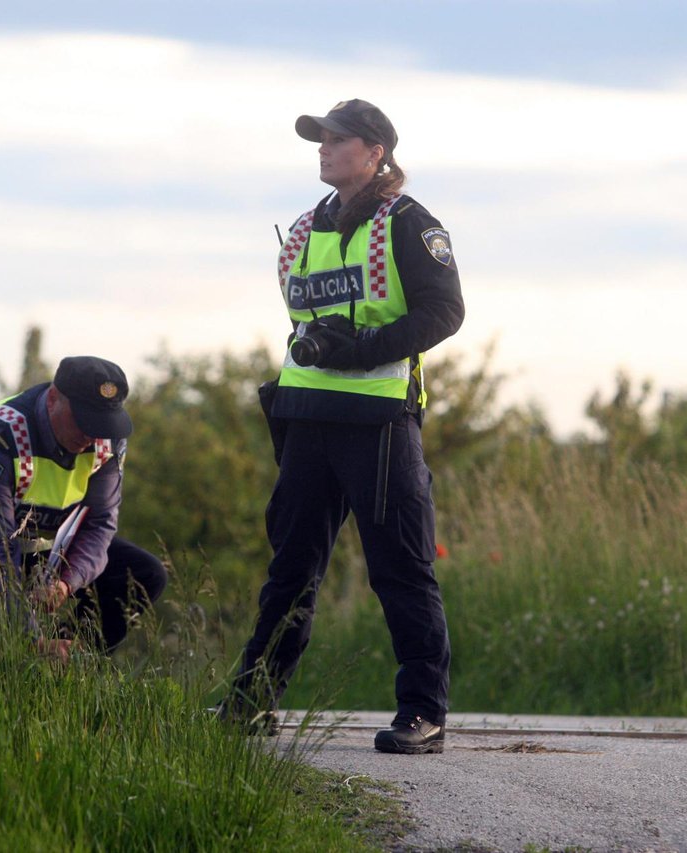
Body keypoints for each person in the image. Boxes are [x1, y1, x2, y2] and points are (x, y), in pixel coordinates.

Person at [222, 99, 465, 754]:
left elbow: (445, 312)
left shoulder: (410, 223)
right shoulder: (304, 228)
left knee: (401, 567)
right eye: (319, 139)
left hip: (378, 419)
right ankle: (253, 698)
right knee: (290, 568)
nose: (323, 148)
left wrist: (357, 347)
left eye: (336, 139)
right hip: (305, 415)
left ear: (376, 151)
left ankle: (423, 711)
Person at [0, 355, 167, 660]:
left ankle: (69, 666)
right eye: (84, 420)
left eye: (101, 424)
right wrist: (31, 638)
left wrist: (67, 582)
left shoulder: (106, 441)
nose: (92, 435)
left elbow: (100, 524)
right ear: (53, 400)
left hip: (37, 542)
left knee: (145, 573)